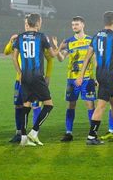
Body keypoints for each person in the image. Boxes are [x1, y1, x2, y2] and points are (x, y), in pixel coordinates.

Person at [76, 11, 113, 145]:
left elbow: (87, 57)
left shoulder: (96, 36)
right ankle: (91, 136)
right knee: (101, 106)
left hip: (100, 74)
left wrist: (80, 75)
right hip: (109, 75)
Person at [12, 13, 59, 146]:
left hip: (25, 76)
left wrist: (19, 72)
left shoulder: (20, 37)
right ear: (38, 23)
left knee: (26, 105)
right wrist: (57, 46)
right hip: (37, 76)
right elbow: (52, 55)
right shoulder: (41, 36)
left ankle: (23, 138)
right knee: (49, 105)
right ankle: (34, 131)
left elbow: (14, 57)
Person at [57, 16, 95, 141]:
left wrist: (97, 76)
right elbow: (61, 59)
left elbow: (94, 60)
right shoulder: (69, 41)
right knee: (71, 105)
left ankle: (92, 132)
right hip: (72, 79)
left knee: (90, 104)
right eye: (73, 24)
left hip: (87, 78)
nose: (74, 26)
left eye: (77, 24)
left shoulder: (91, 40)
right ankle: (68, 132)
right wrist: (57, 49)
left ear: (83, 25)